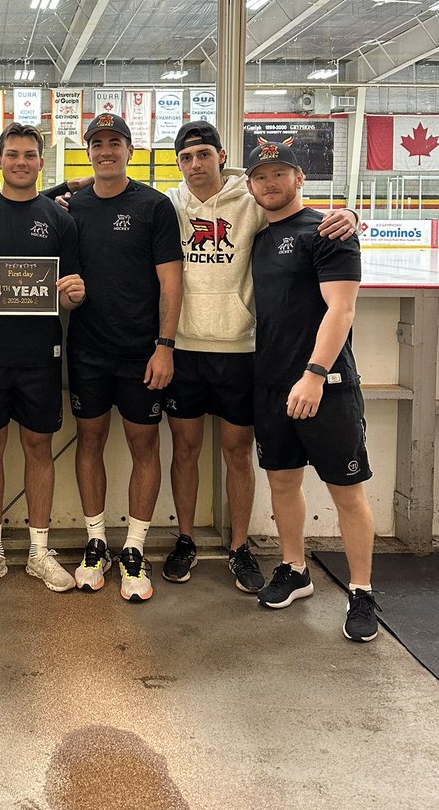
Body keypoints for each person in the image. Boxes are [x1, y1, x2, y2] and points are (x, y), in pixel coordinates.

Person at [161, 120, 357, 593]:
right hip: (184, 348)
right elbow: (114, 186)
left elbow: (297, 213)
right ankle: (185, 538)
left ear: (221, 157)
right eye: (186, 157)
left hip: (241, 350)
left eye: (203, 154)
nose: (195, 164)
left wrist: (349, 213)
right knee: (184, 450)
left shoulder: (251, 198)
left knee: (237, 453)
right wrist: (68, 188)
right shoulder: (168, 203)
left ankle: (238, 545)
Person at [246, 138, 379, 642]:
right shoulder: (260, 233)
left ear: (299, 177)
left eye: (280, 173)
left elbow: (341, 309)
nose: (270, 183)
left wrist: (315, 374)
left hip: (326, 384)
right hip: (272, 382)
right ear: (251, 184)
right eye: (261, 176)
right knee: (282, 483)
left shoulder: (329, 230)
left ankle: (362, 590)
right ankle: (295, 568)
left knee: (346, 490)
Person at [0, 123, 85, 595]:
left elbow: (69, 292)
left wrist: (72, 295)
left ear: (41, 162)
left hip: (40, 356)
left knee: (38, 448)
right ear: (0, 161)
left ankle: (38, 552)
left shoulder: (60, 220)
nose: (21, 162)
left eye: (29, 154)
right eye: (12, 154)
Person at [64, 113, 183, 602]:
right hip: (87, 351)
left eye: (115, 142)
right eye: (97, 143)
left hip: (142, 354)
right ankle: (96, 543)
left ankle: (133, 549)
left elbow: (171, 283)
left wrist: (164, 345)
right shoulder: (71, 207)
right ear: (87, 151)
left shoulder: (153, 206)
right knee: (88, 442)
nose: (105, 151)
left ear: (129, 150)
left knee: (144, 447)